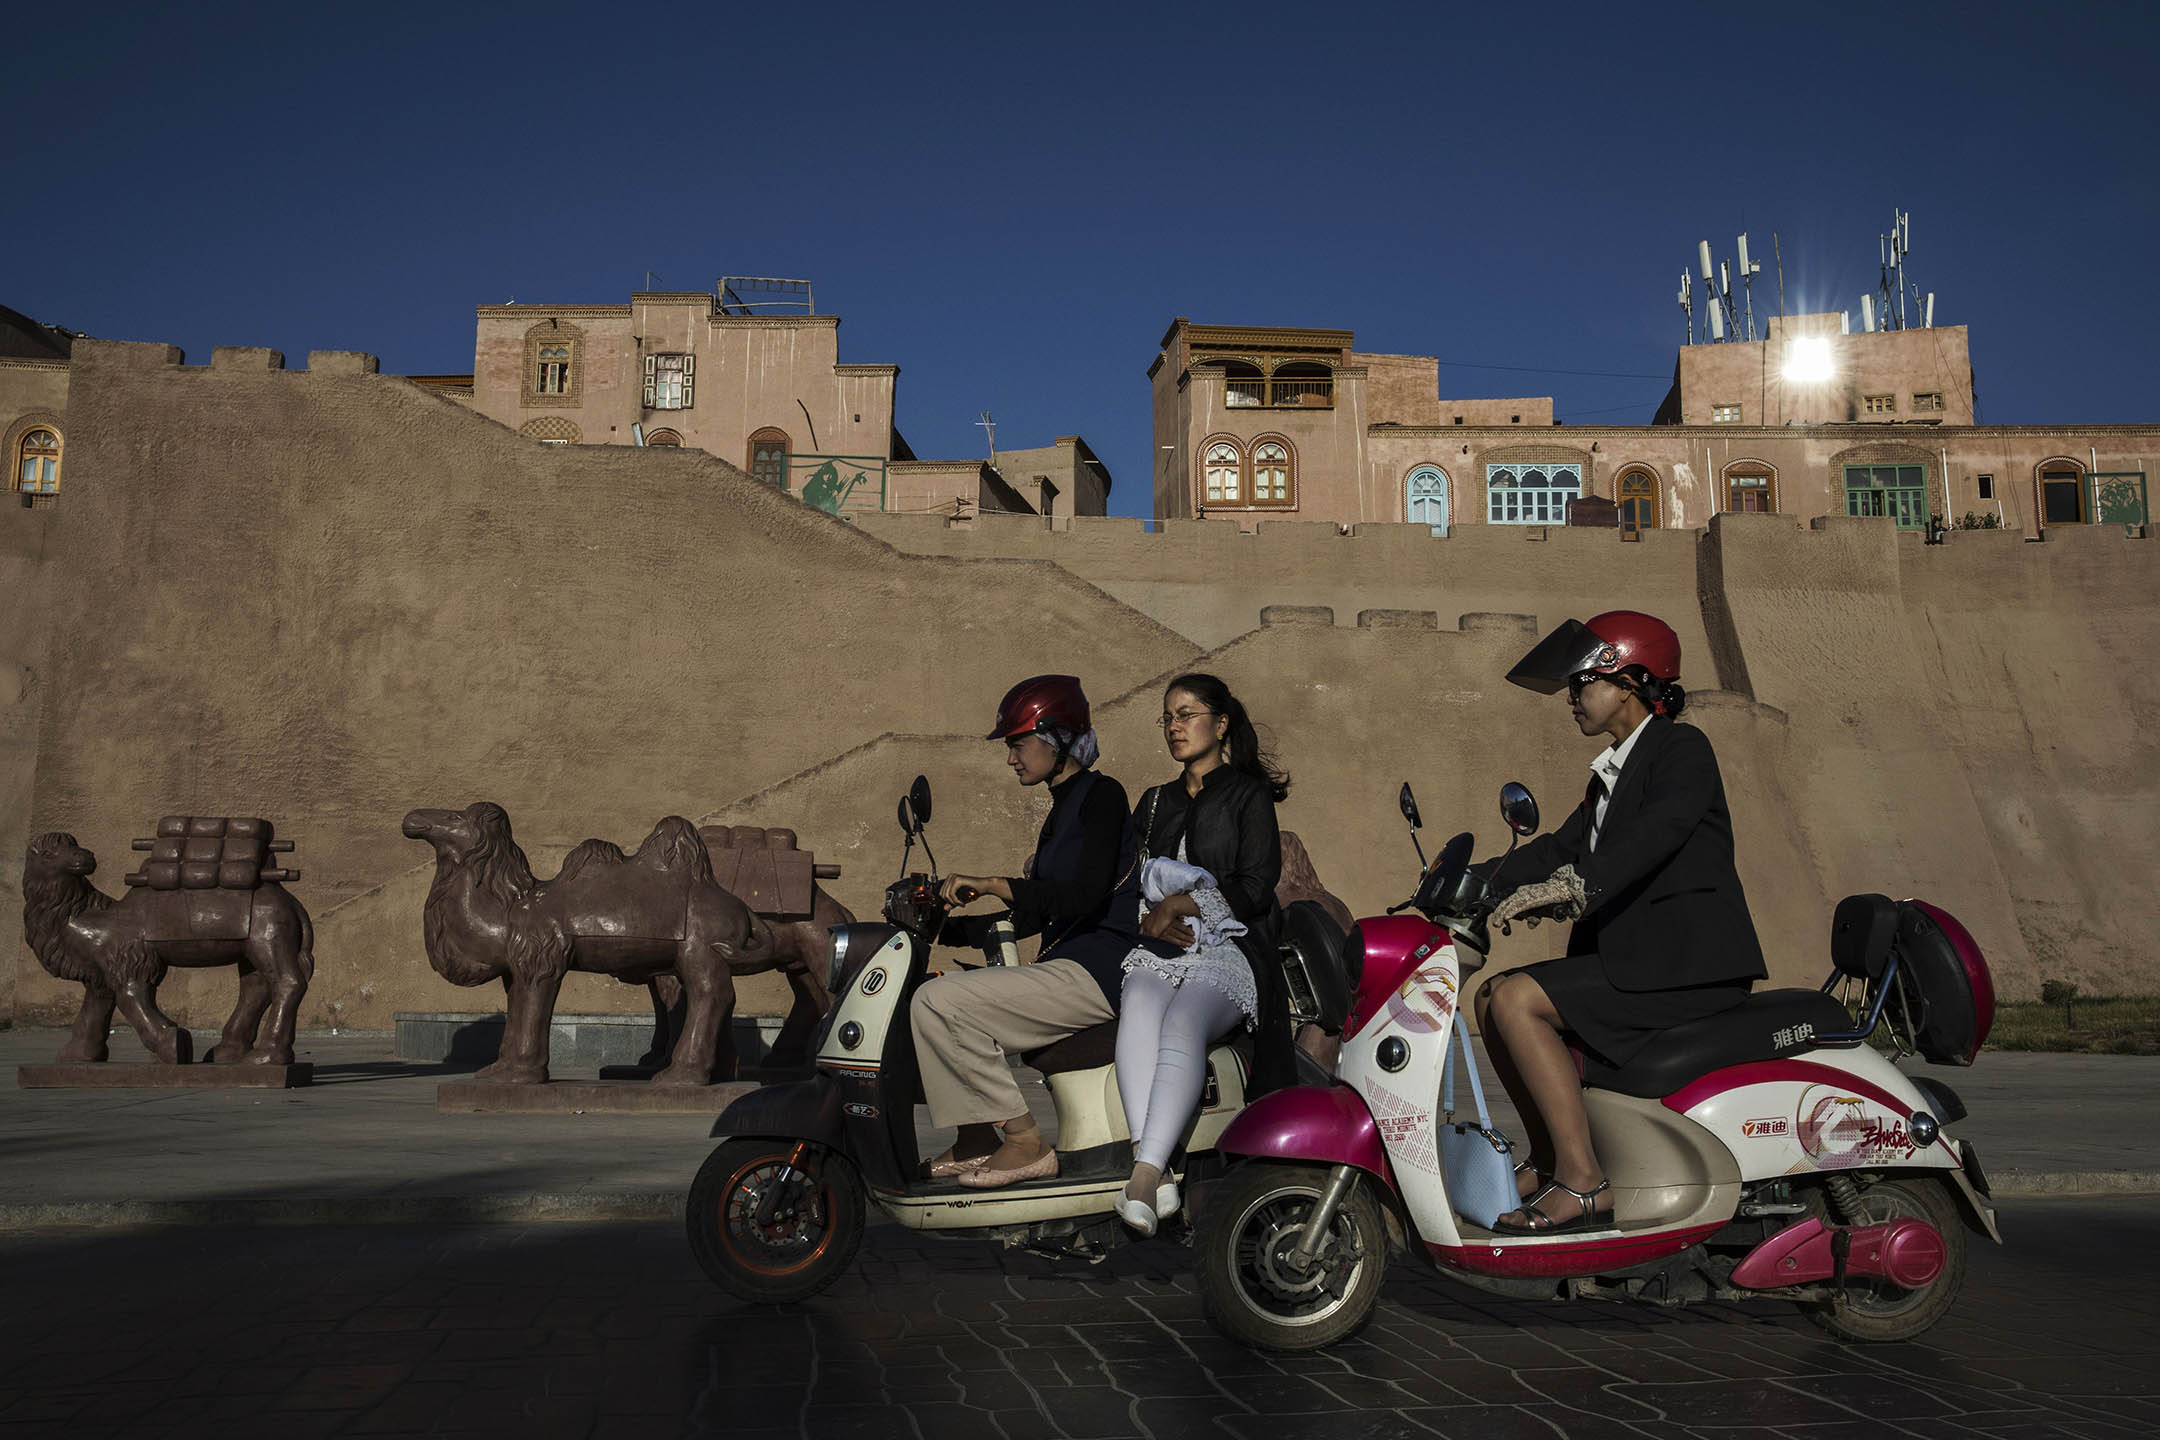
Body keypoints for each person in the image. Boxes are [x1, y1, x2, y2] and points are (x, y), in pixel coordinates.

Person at [1473, 611, 1765, 1234]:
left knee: (1520, 1000)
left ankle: (1583, 1181)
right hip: (1637, 962)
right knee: (1491, 993)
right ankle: (1552, 1157)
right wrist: (1474, 882)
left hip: (1687, 966)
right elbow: (1558, 848)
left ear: (1628, 679)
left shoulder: (1681, 749)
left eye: (1582, 684)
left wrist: (1576, 886)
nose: (1572, 699)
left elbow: (1655, 835)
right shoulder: (1613, 772)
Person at [910, 675, 1141, 1188]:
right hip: (1067, 966)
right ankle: (975, 1138)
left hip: (1101, 969)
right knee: (929, 991)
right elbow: (1036, 916)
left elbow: (1082, 898)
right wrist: (943, 929)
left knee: (940, 1004)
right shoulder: (1061, 810)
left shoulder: (1102, 796)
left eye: (1017, 743)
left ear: (1056, 737)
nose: (1011, 757)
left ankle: (1023, 1141)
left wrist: (993, 883)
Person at [1112, 673, 1293, 1235]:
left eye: (1187, 714)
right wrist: (1150, 920)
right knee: (1139, 1002)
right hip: (1160, 949)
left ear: (1220, 724)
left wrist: (1180, 905)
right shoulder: (1153, 802)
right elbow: (1123, 884)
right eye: (1167, 716)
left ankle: (1142, 1176)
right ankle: (1159, 1166)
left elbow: (1256, 886)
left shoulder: (1247, 794)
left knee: (1183, 1023)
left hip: (1228, 947)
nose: (1175, 726)